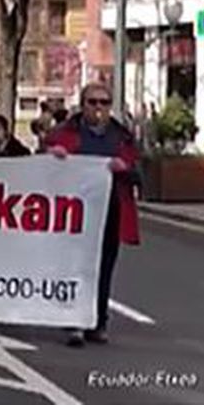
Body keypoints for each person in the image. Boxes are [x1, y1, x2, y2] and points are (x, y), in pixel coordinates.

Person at [45, 83, 140, 348]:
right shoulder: (64, 133)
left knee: (103, 268)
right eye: (93, 102)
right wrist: (53, 157)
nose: (99, 108)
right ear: (82, 104)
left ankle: (98, 322)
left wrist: (125, 169)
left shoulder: (122, 137)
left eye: (104, 103)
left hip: (110, 211)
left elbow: (138, 174)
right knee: (75, 266)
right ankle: (74, 320)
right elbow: (43, 167)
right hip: (73, 214)